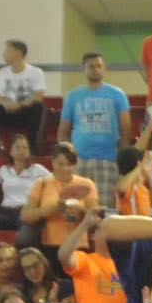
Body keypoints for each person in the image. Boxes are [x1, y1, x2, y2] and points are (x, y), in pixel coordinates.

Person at [59, 52, 134, 203]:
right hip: (80, 159)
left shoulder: (117, 94)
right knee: (77, 205)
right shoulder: (72, 96)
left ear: (104, 68)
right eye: (91, 66)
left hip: (108, 159)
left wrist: (122, 159)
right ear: (84, 69)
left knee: (105, 206)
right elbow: (63, 131)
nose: (95, 69)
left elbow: (126, 128)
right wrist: (68, 159)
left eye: (99, 66)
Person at [0, 39, 48, 145]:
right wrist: (6, 103)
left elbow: (38, 97)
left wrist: (19, 105)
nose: (4, 54)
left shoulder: (36, 72)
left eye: (7, 51)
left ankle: (32, 146)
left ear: (18, 53)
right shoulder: (2, 73)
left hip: (24, 112)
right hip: (6, 111)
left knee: (38, 106)